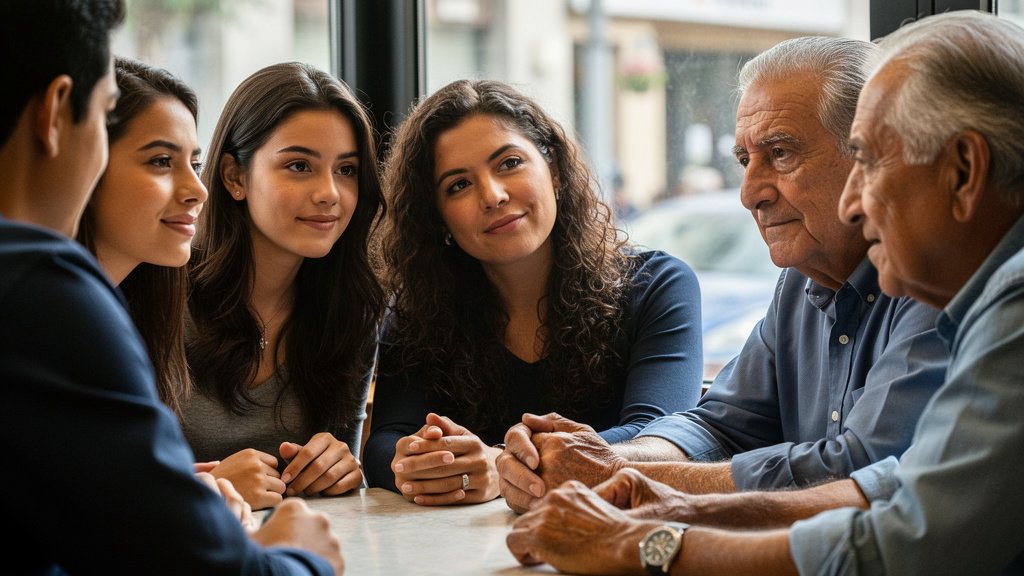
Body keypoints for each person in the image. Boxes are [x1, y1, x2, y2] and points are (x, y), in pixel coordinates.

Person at [507, 10, 1024, 575]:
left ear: (966, 170)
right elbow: (880, 487)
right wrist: (648, 485)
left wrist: (641, 540)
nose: (857, 201)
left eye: (872, 161)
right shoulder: (813, 280)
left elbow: (892, 527)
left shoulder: (989, 294)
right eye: (744, 160)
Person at [0, 1, 342, 574]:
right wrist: (302, 557)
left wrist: (166, 491)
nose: (198, 190)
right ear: (58, 110)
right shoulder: (45, 291)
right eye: (161, 161)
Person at [362, 79, 704, 506]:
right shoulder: (416, 311)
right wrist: (422, 460)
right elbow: (384, 446)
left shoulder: (658, 285)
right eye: (458, 185)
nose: (493, 195)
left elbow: (657, 435)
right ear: (437, 219)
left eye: (508, 163)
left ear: (555, 169)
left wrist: (500, 464)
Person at [184, 61, 385, 511]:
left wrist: (339, 466)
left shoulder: (352, 309)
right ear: (235, 177)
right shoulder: (162, 294)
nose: (330, 193)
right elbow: (101, 477)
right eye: (299, 166)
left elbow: (341, 477)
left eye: (347, 170)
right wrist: (210, 486)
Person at [76, 56, 207, 419]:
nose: (198, 190)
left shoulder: (132, 310)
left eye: (195, 165)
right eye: (162, 161)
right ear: (85, 163)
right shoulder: (44, 317)